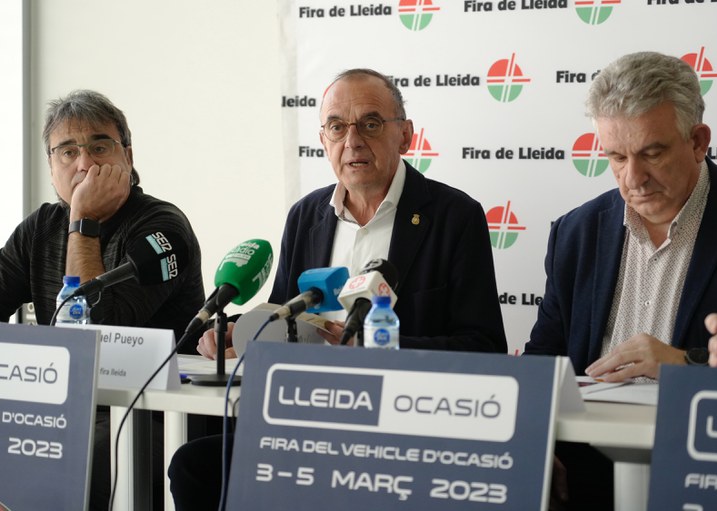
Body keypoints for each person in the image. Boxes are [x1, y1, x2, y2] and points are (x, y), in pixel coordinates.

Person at [169, 68, 508, 510]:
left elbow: (483, 347)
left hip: (402, 428)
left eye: (371, 123)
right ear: (323, 139)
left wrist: (376, 349)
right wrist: (236, 331)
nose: (352, 141)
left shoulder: (453, 216)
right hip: (305, 423)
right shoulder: (305, 215)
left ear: (405, 136)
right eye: (336, 127)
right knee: (193, 466)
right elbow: (284, 314)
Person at [523, 51, 717, 509]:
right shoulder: (576, 232)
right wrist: (534, 444)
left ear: (698, 141)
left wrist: (685, 363)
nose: (633, 178)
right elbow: (545, 357)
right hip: (586, 481)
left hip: (716, 476)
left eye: (652, 153)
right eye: (616, 157)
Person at [0, 89, 206, 510]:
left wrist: (84, 221)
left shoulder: (163, 227)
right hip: (63, 405)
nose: (85, 164)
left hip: (151, 415)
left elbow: (100, 333)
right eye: (67, 151)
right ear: (51, 166)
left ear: (127, 156)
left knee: (72, 458)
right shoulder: (40, 228)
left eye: (99, 147)